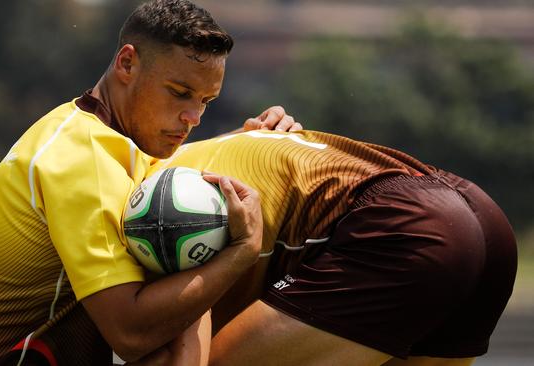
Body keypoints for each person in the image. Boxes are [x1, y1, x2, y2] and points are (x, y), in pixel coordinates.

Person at [0, 1, 301, 365]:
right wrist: (242, 251)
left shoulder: (98, 134)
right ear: (127, 63)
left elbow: (170, 168)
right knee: (184, 252)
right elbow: (131, 335)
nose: (194, 118)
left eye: (206, 100)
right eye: (179, 92)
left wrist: (249, 138)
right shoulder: (81, 160)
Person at [152, 129, 518, 366]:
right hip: (477, 214)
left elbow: (143, 338)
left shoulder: (142, 195)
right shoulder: (199, 151)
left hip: (410, 226)